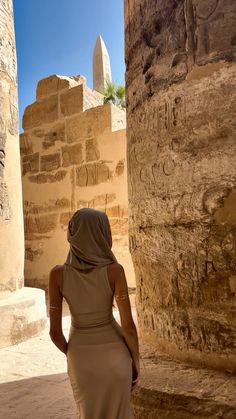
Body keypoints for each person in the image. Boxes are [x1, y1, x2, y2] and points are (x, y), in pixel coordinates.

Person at [49, 207, 139, 419]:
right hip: (117, 360)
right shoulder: (114, 271)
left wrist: (74, 353)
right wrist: (135, 360)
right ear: (103, 234)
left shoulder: (57, 275)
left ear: (72, 234)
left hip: (81, 360)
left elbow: (54, 333)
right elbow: (128, 327)